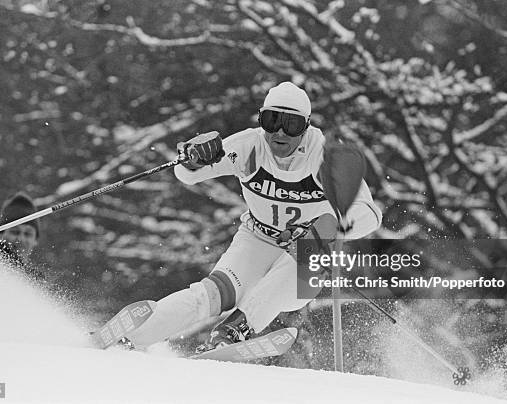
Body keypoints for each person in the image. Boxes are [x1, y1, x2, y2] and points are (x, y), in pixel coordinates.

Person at [126, 81, 382, 351]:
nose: (279, 132)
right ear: (261, 120)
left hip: (306, 252)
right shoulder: (249, 146)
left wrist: (324, 230)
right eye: (271, 121)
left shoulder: (324, 158)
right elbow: (188, 175)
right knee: (212, 294)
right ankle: (132, 339)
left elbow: (369, 214)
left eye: (291, 124)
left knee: (302, 256)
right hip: (257, 238)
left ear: (306, 126)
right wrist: (193, 158)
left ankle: (232, 332)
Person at [0, 192, 42, 278]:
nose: (21, 239)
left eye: (28, 234)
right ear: (0, 235)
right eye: (15, 232)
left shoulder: (36, 280)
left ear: (36, 240)